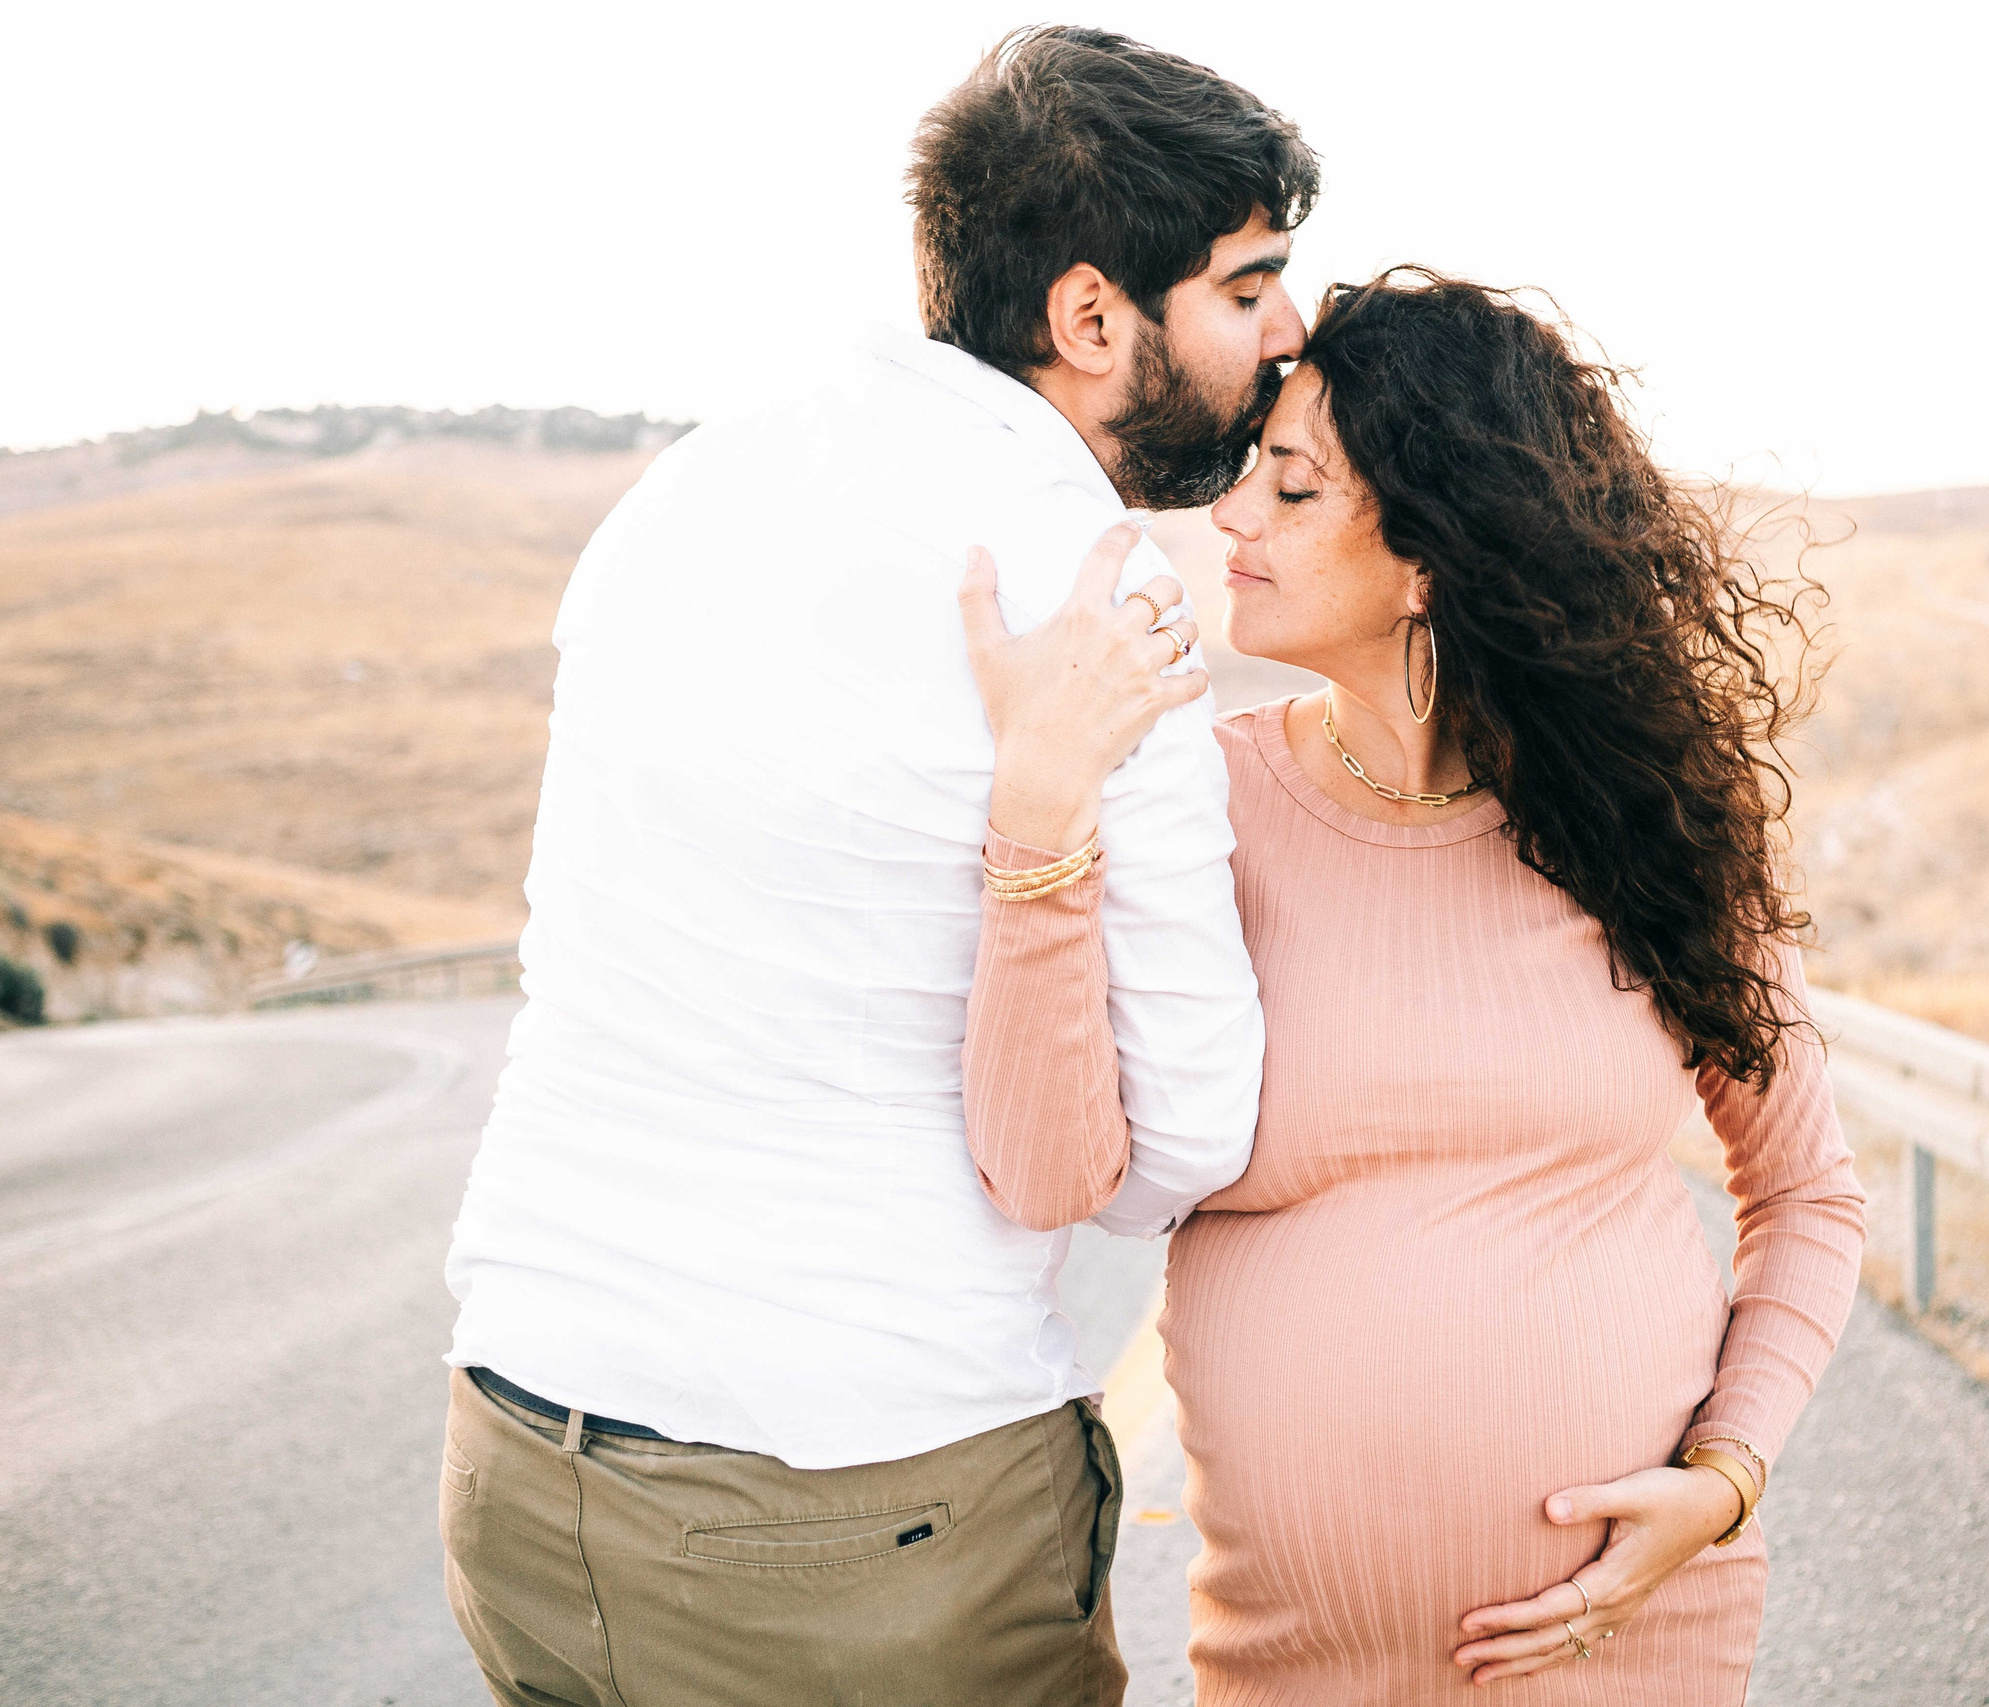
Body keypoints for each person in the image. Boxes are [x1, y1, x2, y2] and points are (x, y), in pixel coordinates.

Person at [433, 28, 1315, 1707]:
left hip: (519, 1452)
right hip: (863, 1506)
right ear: (1090, 317)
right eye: (1250, 284)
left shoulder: (688, 485)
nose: (1290, 331)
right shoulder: (1092, 599)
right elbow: (1176, 1150)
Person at [958, 269, 1869, 1704]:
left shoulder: (1650, 822)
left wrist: (1726, 1477)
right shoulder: (1200, 809)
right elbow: (1044, 1168)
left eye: (1292, 488)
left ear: (1433, 555)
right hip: (1293, 1663)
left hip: (1627, 1644)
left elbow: (1807, 1193)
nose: (1230, 516)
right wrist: (1039, 807)